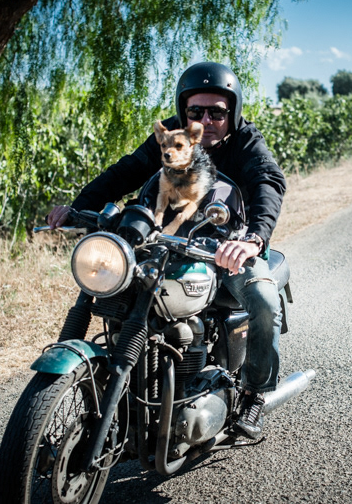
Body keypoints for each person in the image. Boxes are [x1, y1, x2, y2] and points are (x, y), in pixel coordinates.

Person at [46, 61, 286, 439]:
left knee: (264, 302)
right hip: (167, 243)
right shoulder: (172, 137)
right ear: (183, 111)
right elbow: (125, 172)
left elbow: (268, 182)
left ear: (233, 112)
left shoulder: (246, 141)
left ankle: (255, 393)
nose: (205, 120)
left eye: (217, 113)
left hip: (226, 247)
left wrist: (253, 238)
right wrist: (78, 208)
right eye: (196, 111)